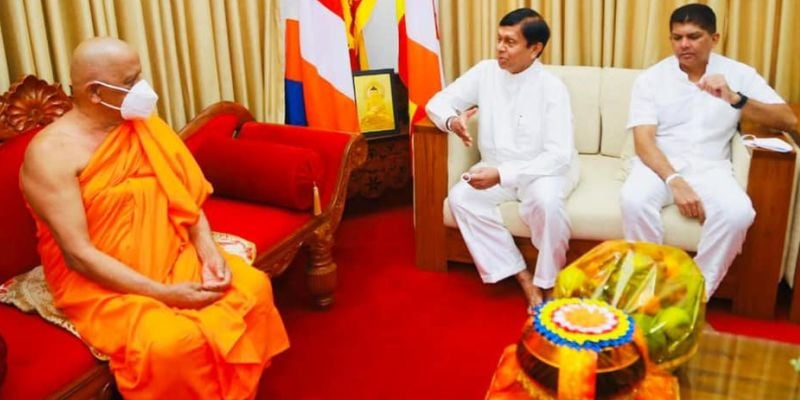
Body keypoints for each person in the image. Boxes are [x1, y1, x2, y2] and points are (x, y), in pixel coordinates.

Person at [20, 37, 289, 399]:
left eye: (139, 76)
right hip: (101, 280)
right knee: (172, 343)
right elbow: (78, 254)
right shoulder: (51, 155)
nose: (143, 88)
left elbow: (186, 198)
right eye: (130, 82)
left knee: (253, 288)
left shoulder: (143, 125)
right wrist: (164, 294)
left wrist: (208, 250)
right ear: (95, 92)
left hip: (173, 252)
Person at [620, 4, 797, 298]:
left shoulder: (739, 74)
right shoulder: (651, 79)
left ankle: (694, 295)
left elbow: (788, 119)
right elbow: (644, 141)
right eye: (677, 37)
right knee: (633, 200)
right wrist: (674, 180)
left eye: (693, 36)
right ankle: (650, 288)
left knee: (738, 213)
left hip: (711, 165)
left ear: (714, 39)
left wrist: (735, 98)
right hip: (660, 164)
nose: (684, 45)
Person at [426, 8, 580, 307]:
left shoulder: (552, 88)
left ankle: (549, 281)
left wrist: (502, 176)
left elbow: (558, 155)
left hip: (543, 171)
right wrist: (452, 121)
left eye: (510, 42)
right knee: (461, 198)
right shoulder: (486, 72)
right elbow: (438, 102)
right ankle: (521, 275)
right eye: (499, 39)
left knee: (548, 205)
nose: (500, 48)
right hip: (495, 167)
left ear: (535, 49)